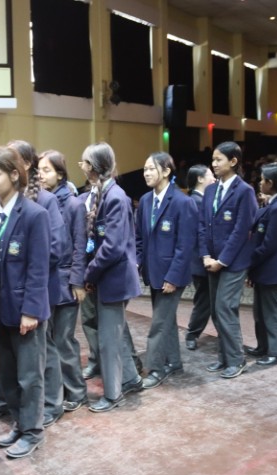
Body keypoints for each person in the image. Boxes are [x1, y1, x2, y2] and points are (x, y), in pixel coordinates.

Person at [0, 140, 66, 425]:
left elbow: (53, 251)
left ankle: (50, 406)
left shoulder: (42, 204)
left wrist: (27, 297)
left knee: (39, 357)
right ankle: (11, 408)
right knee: (10, 363)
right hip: (5, 299)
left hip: (33, 292)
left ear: (21, 168)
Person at [0, 146, 50, 458]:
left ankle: (33, 431)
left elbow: (39, 268)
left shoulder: (34, 215)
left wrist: (31, 311)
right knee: (8, 374)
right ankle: (20, 423)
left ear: (13, 175)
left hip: (25, 312)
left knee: (29, 376)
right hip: (0, 311)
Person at [80, 142, 142, 412]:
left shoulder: (116, 197)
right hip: (105, 277)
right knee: (113, 336)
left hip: (114, 279)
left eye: (84, 162)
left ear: (95, 166)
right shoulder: (100, 193)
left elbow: (113, 247)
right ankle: (131, 379)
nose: (81, 167)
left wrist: (89, 273)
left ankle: (113, 394)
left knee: (108, 341)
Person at [135, 152, 197, 389]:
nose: (146, 173)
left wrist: (173, 277)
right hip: (153, 273)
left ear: (166, 171)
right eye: (144, 169)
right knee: (166, 320)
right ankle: (174, 362)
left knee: (159, 324)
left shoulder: (183, 202)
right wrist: (138, 262)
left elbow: (185, 246)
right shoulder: (145, 201)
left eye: (151, 168)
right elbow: (139, 238)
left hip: (172, 275)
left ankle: (155, 368)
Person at [198, 141, 258, 379]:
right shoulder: (210, 190)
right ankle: (224, 357)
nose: (213, 164)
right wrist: (205, 255)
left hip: (233, 262)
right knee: (216, 309)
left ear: (233, 161)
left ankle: (236, 359)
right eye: (212, 159)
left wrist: (221, 261)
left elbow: (241, 231)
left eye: (218, 159)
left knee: (225, 307)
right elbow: (202, 226)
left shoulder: (245, 191)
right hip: (211, 260)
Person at [37, 150, 89, 413]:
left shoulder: (74, 205)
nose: (41, 175)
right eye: (39, 170)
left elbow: (80, 246)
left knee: (64, 339)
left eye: (46, 170)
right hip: (46, 282)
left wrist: (78, 282)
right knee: (49, 341)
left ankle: (77, 391)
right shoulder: (40, 202)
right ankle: (59, 389)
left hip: (66, 282)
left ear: (60, 173)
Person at [245, 162, 277, 367]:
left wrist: (248, 262)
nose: (259, 183)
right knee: (260, 312)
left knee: (273, 312)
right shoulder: (273, 205)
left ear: (271, 183)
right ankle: (264, 346)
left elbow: (268, 245)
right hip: (264, 269)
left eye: (262, 179)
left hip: (272, 270)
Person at [184, 164, 216, 350]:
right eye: (210, 175)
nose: (214, 178)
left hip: (203, 260)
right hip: (199, 260)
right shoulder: (195, 202)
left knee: (206, 300)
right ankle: (192, 333)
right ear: (200, 179)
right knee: (204, 300)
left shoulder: (201, 200)